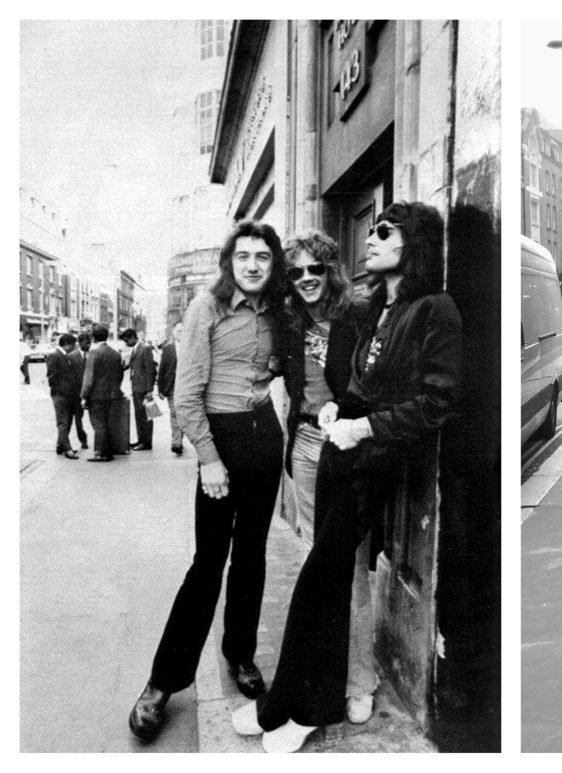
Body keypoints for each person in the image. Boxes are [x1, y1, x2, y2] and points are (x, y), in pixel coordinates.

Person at [231, 201, 462, 753]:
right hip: (337, 451)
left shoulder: (435, 309)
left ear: (415, 244)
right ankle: (285, 703)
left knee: (327, 578)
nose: (373, 238)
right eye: (373, 229)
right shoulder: (382, 304)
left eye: (386, 232)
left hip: (371, 461)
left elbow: (437, 402)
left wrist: (365, 427)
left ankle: (308, 707)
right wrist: (341, 410)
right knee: (320, 577)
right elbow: (358, 380)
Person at [129, 220, 290, 742]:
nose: (251, 265)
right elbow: (186, 395)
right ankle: (162, 682)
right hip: (220, 441)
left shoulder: (278, 310)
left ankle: (239, 654)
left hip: (264, 434)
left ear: (273, 264)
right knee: (207, 564)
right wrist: (208, 460)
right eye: (242, 256)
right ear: (229, 262)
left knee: (252, 556)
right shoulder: (207, 307)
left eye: (262, 257)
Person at [278, 230, 376, 724]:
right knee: (317, 564)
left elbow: (373, 381)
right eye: (295, 272)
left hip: (347, 446)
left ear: (330, 269)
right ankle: (323, 675)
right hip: (303, 447)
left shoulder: (356, 315)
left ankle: (360, 680)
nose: (306, 279)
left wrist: (350, 414)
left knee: (351, 565)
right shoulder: (289, 320)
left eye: (315, 269)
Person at [80, 324, 125, 462]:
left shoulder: (94, 353)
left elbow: (89, 377)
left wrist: (84, 396)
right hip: (113, 394)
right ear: (107, 336)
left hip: (97, 396)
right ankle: (109, 451)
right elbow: (120, 375)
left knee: (99, 424)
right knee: (109, 424)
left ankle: (100, 453)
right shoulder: (116, 353)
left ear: (93, 337)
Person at [119, 328, 157, 451]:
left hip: (143, 389)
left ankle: (145, 442)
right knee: (139, 415)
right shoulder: (136, 348)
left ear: (132, 337)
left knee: (145, 415)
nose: (126, 343)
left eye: (126, 340)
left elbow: (150, 370)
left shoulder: (145, 348)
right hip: (137, 387)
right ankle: (141, 440)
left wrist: (149, 390)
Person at [45, 333, 80, 459]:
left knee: (67, 421)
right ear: (66, 344)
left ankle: (60, 446)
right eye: (73, 345)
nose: (75, 347)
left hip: (68, 395)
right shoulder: (54, 355)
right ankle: (67, 449)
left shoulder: (66, 355)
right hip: (60, 395)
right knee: (63, 422)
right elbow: (52, 377)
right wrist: (61, 392)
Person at [157, 322, 184, 455]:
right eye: (178, 331)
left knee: (182, 413)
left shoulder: (191, 347)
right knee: (174, 412)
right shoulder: (168, 348)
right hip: (172, 385)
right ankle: (176, 442)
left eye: (183, 331)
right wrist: (160, 389)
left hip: (186, 385)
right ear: (174, 332)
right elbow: (162, 369)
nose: (181, 333)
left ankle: (180, 439)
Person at [69, 333, 91, 450]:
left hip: (91, 392)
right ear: (80, 343)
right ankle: (83, 439)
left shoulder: (93, 354)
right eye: (86, 343)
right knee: (78, 418)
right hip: (77, 393)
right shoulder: (72, 356)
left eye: (89, 343)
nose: (88, 345)